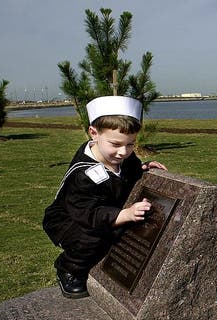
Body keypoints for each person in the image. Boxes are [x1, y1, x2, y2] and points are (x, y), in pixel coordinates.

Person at [42, 96, 167, 299]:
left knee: (115, 233)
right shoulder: (83, 174)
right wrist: (125, 214)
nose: (123, 152)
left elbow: (130, 168)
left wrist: (143, 168)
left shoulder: (121, 155)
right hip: (71, 218)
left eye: (131, 144)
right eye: (116, 144)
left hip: (101, 211)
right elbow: (89, 214)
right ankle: (69, 268)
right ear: (94, 133)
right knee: (91, 238)